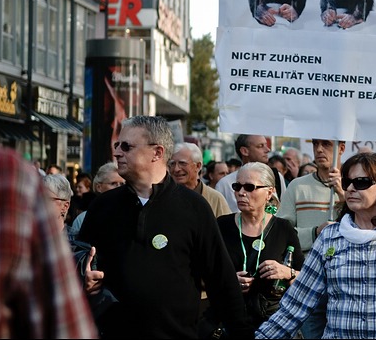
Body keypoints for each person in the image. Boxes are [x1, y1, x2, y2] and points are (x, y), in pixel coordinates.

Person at [78, 115, 253, 339]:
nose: (118, 152)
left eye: (126, 146)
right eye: (117, 145)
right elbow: (79, 260)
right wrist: (83, 276)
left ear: (157, 153)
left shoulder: (194, 207)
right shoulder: (103, 206)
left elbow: (221, 280)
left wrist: (240, 332)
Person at [255, 151, 376, 339]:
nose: (350, 188)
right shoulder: (330, 237)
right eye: (347, 182)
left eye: (361, 183)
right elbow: (296, 304)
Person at [0, 133, 98, 339]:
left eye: (48, 198)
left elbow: (64, 325)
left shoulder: (5, 181)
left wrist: (87, 283)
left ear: (65, 205)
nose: (43, 202)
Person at [218, 163, 304, 332]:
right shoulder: (221, 225)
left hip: (271, 323)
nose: (241, 193)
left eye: (250, 187)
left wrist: (288, 272)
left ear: (269, 192)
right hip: (230, 321)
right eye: (237, 186)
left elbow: (306, 278)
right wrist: (228, 280)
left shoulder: (283, 228)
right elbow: (203, 272)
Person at [276, 138, 346, 339]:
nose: (319, 149)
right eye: (315, 144)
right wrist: (315, 232)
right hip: (308, 279)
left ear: (341, 148)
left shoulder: (355, 185)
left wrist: (342, 194)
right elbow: (281, 233)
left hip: (344, 282)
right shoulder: (297, 187)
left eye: (326, 144)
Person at [217, 134, 285, 212]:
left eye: (266, 145)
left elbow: (283, 211)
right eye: (260, 146)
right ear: (244, 151)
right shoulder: (225, 184)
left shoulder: (276, 177)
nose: (267, 149)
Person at [170, 142, 231, 218]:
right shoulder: (163, 197)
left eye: (182, 163)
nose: (176, 169)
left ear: (198, 166)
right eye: (172, 164)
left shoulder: (216, 199)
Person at [69, 162, 125, 237]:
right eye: (113, 183)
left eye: (122, 184)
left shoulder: (132, 216)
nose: (119, 187)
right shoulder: (83, 219)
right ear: (99, 187)